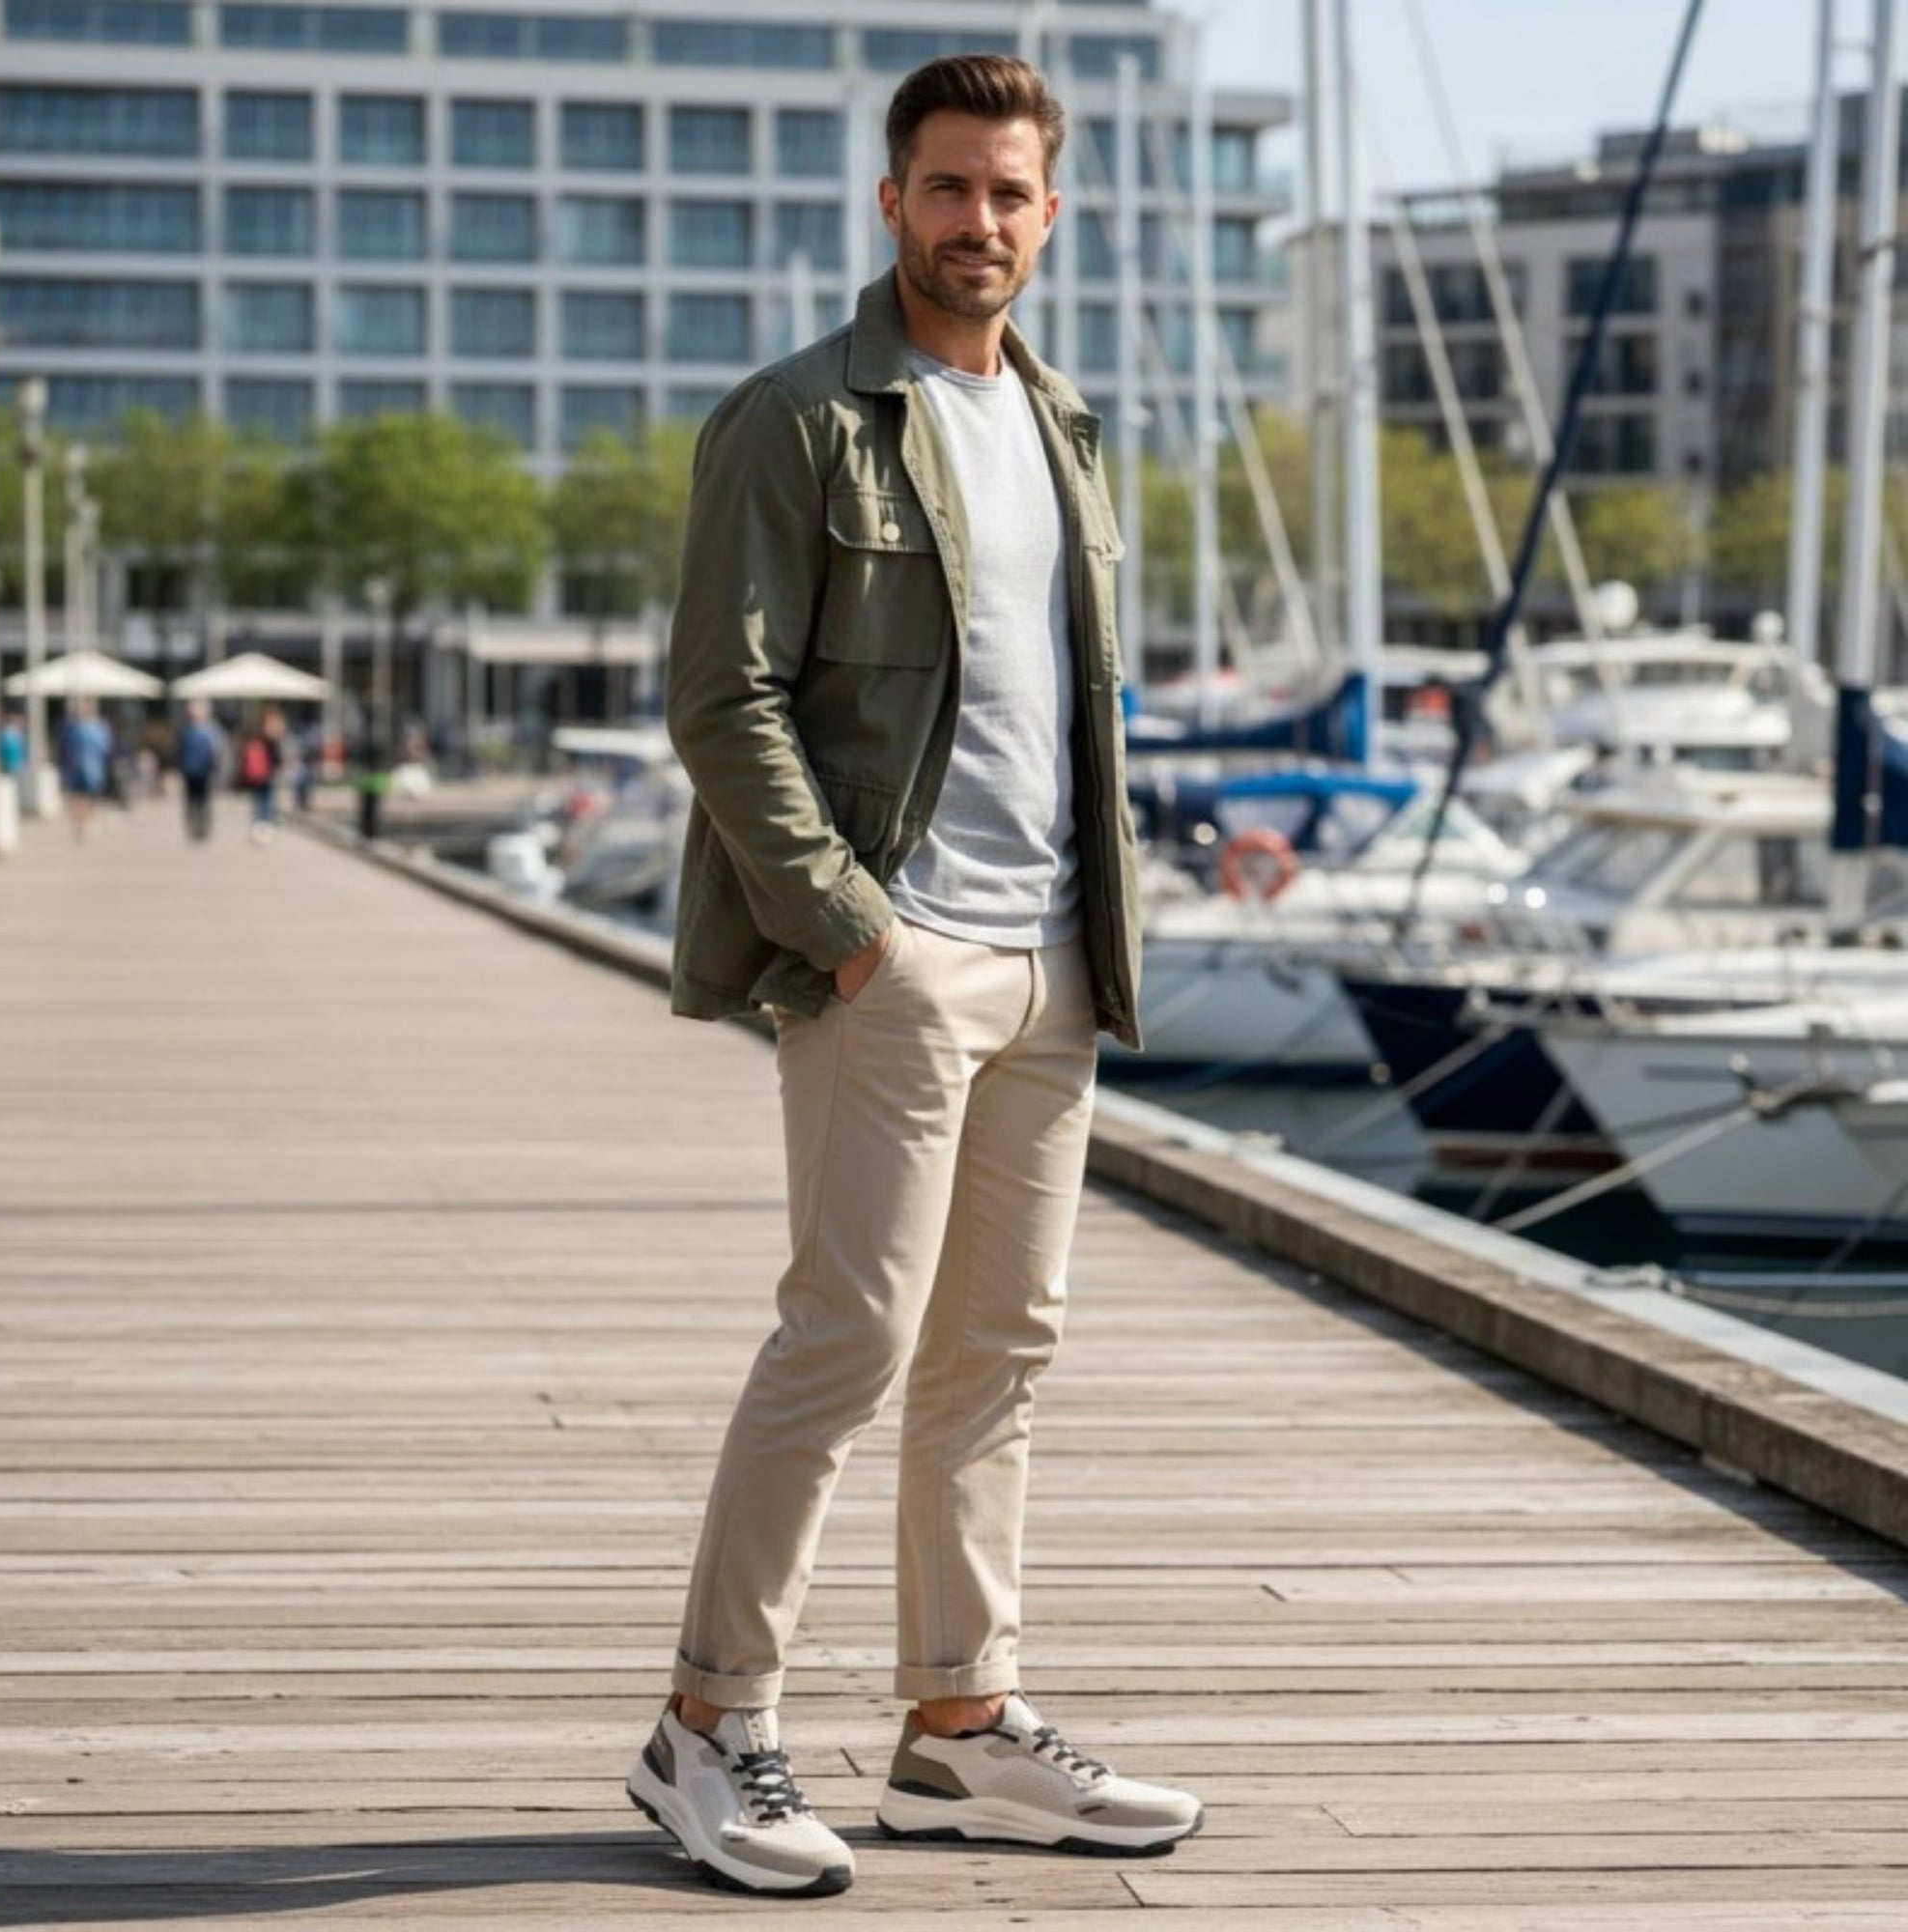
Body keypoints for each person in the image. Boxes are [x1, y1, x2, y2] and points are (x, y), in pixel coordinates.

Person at [626, 54, 1197, 1901]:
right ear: (893, 204)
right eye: (947, 190)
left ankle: (959, 1728)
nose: (980, 225)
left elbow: (1073, 710)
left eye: (1011, 194)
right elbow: (723, 700)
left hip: (1052, 959)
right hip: (895, 957)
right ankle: (707, 1727)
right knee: (850, 1336)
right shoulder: (796, 419)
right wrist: (853, 930)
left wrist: (1091, 941)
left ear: (1052, 213)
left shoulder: (1068, 425)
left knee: (998, 1354)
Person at [56, 697, 112, 842]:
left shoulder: (97, 728)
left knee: (89, 797)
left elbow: (105, 748)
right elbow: (65, 748)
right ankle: (81, 824)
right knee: (78, 797)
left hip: (91, 770)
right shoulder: (72, 728)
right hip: (77, 769)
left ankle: (84, 823)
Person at [176, 699, 222, 842]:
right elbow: (179, 751)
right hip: (189, 771)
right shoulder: (186, 730)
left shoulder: (211, 731)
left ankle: (202, 828)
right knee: (190, 800)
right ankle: (192, 827)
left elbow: (217, 752)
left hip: (205, 772)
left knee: (204, 801)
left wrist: (216, 769)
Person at [238, 707, 283, 843]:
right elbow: (276, 757)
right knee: (267, 799)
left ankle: (257, 825)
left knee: (258, 799)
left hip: (256, 773)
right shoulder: (271, 737)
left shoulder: (255, 734)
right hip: (267, 773)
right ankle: (266, 825)